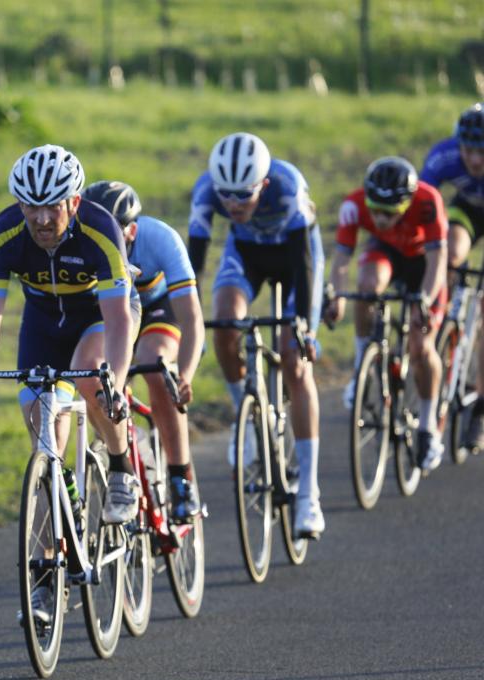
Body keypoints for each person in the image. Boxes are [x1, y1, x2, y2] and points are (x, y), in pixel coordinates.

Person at [0, 145, 140, 534]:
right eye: (31, 207)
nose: (42, 218)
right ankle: (59, 529)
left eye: (53, 206)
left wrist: (115, 384)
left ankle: (121, 467)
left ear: (75, 202)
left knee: (92, 375)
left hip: (101, 317)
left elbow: (118, 320)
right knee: (43, 426)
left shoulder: (100, 230)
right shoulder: (1, 236)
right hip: (43, 323)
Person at [188, 132, 326, 538]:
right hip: (246, 255)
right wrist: (189, 320)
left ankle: (309, 495)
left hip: (296, 258)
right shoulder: (206, 190)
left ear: (263, 184)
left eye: (243, 196)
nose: (233, 204)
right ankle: (245, 420)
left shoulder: (288, 185)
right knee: (224, 324)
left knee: (293, 359)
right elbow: (193, 263)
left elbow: (304, 262)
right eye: (226, 195)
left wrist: (303, 326)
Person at [82, 181, 204, 521]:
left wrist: (185, 375)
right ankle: (126, 449)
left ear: (132, 231)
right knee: (93, 377)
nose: (104, 238)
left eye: (114, 232)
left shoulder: (160, 239)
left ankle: (180, 476)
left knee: (154, 364)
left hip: (157, 311)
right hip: (111, 315)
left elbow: (191, 317)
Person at [324, 156, 448, 471]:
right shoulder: (353, 205)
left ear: (407, 203)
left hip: (423, 263)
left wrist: (425, 299)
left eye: (389, 213)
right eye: (375, 210)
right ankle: (361, 366)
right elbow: (341, 261)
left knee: (421, 347)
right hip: (386, 253)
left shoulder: (428, 200)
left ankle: (428, 425)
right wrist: (337, 297)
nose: (379, 218)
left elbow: (438, 261)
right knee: (366, 287)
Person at [421, 103, 484, 450]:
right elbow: (420, 204)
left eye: (482, 152)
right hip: (468, 210)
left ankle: (480, 412)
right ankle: (442, 314)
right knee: (452, 253)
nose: (474, 159)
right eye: (469, 150)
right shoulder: (443, 156)